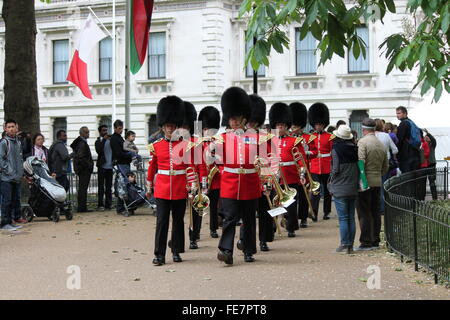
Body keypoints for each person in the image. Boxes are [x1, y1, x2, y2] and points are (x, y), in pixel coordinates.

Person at [215, 87, 262, 265]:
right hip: (230, 183)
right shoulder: (222, 138)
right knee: (229, 218)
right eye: (231, 118)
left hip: (250, 182)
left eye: (236, 118)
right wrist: (223, 171)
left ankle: (249, 250)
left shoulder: (256, 137)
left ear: (244, 118)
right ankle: (226, 250)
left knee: (249, 219)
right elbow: (213, 160)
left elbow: (265, 158)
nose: (233, 121)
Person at [146, 95, 192, 266]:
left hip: (180, 187)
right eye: (167, 126)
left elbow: (190, 167)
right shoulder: (156, 146)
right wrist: (149, 185)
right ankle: (159, 254)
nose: (169, 129)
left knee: (178, 222)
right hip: (163, 189)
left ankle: (176, 251)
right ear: (163, 127)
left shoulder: (185, 145)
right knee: (162, 222)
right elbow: (152, 167)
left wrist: (192, 186)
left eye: (172, 126)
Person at [237, 94, 275, 252]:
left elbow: (270, 157)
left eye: (254, 121)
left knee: (265, 211)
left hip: (263, 178)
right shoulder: (240, 136)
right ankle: (244, 239)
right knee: (247, 215)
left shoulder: (266, 137)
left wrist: (268, 180)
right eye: (249, 121)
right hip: (248, 179)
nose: (251, 124)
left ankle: (264, 239)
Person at [269, 102, 305, 238]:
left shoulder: (294, 141)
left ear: (286, 126)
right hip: (275, 176)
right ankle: (273, 227)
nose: (280, 127)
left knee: (290, 204)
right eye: (278, 125)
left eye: (282, 125)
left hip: (290, 176)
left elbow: (300, 159)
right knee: (275, 203)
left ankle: (291, 227)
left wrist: (302, 173)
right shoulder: (270, 141)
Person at [356, 118, 388, 251]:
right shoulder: (381, 144)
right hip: (377, 181)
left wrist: (363, 180)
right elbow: (386, 166)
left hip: (365, 181)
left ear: (363, 130)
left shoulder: (362, 142)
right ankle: (375, 240)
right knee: (375, 211)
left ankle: (366, 241)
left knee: (364, 212)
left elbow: (361, 162)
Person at [328, 125, 359, 254]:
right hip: (352, 186)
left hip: (340, 186)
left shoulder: (336, 149)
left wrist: (330, 181)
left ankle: (344, 243)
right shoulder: (355, 148)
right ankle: (350, 245)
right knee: (351, 217)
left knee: (343, 218)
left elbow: (335, 169)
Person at [307, 103, 334, 221]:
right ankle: (314, 212)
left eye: (320, 124)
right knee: (315, 190)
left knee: (328, 191)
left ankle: (327, 212)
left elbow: (333, 152)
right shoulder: (310, 137)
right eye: (317, 124)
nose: (318, 126)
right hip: (314, 167)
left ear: (324, 124)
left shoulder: (330, 136)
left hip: (327, 166)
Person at [198, 106, 221, 240]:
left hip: (215, 178)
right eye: (205, 129)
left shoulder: (217, 143)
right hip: (202, 177)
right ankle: (196, 231)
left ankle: (213, 228)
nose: (207, 132)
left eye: (210, 129)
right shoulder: (198, 144)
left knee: (214, 206)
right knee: (199, 206)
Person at [289, 102, 312, 228]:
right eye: (292, 125)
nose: (293, 128)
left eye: (296, 126)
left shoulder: (307, 137)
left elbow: (313, 153)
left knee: (303, 195)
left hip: (303, 169)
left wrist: (307, 151)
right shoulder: (288, 138)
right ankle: (290, 219)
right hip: (291, 170)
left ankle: (303, 217)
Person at [0, 119, 25, 230]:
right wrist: (10, 171)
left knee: (14, 200)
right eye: (8, 127)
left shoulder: (18, 142)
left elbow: (20, 159)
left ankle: (10, 222)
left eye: (12, 126)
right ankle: (5, 223)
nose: (11, 128)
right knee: (7, 200)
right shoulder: (4, 142)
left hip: (16, 177)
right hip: (6, 178)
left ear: (17, 127)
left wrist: (20, 173)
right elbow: (1, 159)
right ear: (5, 129)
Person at [374, 119, 398, 214]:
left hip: (374, 162)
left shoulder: (371, 136)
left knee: (375, 186)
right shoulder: (386, 136)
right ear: (382, 126)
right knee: (384, 184)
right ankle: (384, 207)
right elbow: (395, 150)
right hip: (386, 162)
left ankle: (378, 207)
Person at [110, 119, 133, 216]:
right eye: (119, 129)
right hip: (121, 164)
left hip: (123, 163)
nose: (121, 130)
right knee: (122, 186)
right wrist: (129, 154)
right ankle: (121, 207)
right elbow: (119, 153)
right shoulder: (115, 139)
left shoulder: (119, 138)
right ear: (115, 128)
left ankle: (122, 206)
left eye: (122, 129)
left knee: (123, 185)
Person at [70, 126, 94, 213]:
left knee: (82, 188)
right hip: (83, 169)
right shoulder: (82, 144)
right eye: (86, 132)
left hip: (82, 169)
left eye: (88, 132)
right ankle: (82, 207)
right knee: (83, 188)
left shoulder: (81, 143)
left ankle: (82, 207)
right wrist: (88, 165)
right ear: (82, 133)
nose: (88, 134)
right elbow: (81, 157)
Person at [396, 106, 421, 173]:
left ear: (405, 113)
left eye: (399, 113)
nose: (397, 115)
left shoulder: (403, 124)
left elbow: (399, 139)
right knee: (413, 178)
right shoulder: (412, 122)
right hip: (415, 152)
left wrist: (397, 153)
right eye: (397, 113)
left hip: (406, 154)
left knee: (406, 178)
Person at [95, 125, 113, 211]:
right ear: (100, 132)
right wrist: (104, 139)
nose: (105, 132)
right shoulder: (98, 141)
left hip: (110, 166)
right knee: (101, 187)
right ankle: (100, 204)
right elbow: (99, 150)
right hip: (102, 167)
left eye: (106, 130)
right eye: (103, 130)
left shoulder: (110, 140)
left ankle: (108, 204)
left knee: (109, 187)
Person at [423, 129, 437, 200]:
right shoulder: (422, 146)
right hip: (424, 165)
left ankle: (434, 198)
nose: (426, 138)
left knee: (432, 182)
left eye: (427, 137)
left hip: (431, 164)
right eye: (425, 137)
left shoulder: (432, 145)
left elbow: (433, 139)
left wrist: (428, 133)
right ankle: (422, 198)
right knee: (423, 182)